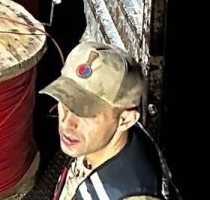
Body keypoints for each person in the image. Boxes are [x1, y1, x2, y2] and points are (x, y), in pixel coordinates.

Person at [40, 41, 177, 200]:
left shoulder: (129, 194)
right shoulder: (97, 143)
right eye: (65, 102)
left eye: (86, 114)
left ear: (125, 120)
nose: (67, 123)